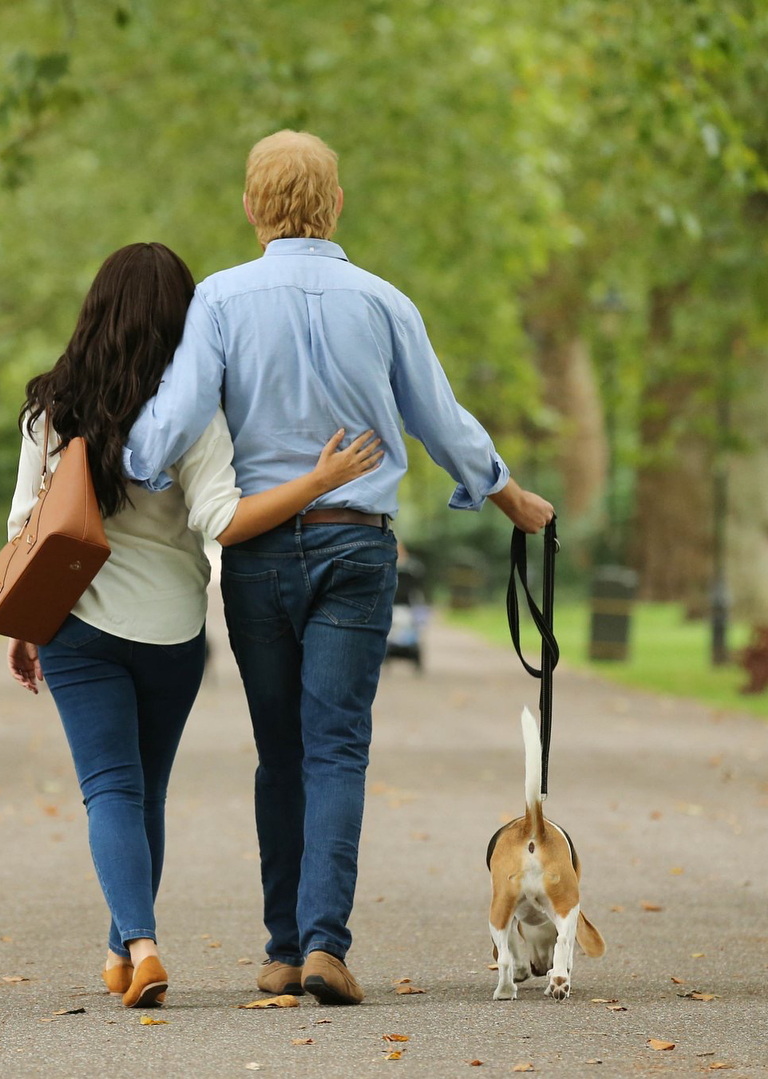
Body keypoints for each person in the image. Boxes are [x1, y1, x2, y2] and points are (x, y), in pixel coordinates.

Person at [123, 131, 554, 1005]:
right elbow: (440, 417)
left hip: (257, 555)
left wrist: (110, 460)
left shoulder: (219, 301)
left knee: (279, 753)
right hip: (358, 545)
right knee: (337, 748)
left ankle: (285, 948)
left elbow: (164, 435)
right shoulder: (385, 302)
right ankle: (324, 944)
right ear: (338, 203)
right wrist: (508, 495)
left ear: (250, 207)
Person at [4, 242, 382, 1009]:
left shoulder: (51, 406)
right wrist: (318, 481)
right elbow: (223, 520)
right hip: (170, 630)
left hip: (75, 620)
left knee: (109, 788)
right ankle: (128, 944)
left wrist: (25, 622)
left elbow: (24, 524)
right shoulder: (197, 414)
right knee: (146, 791)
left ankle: (135, 943)